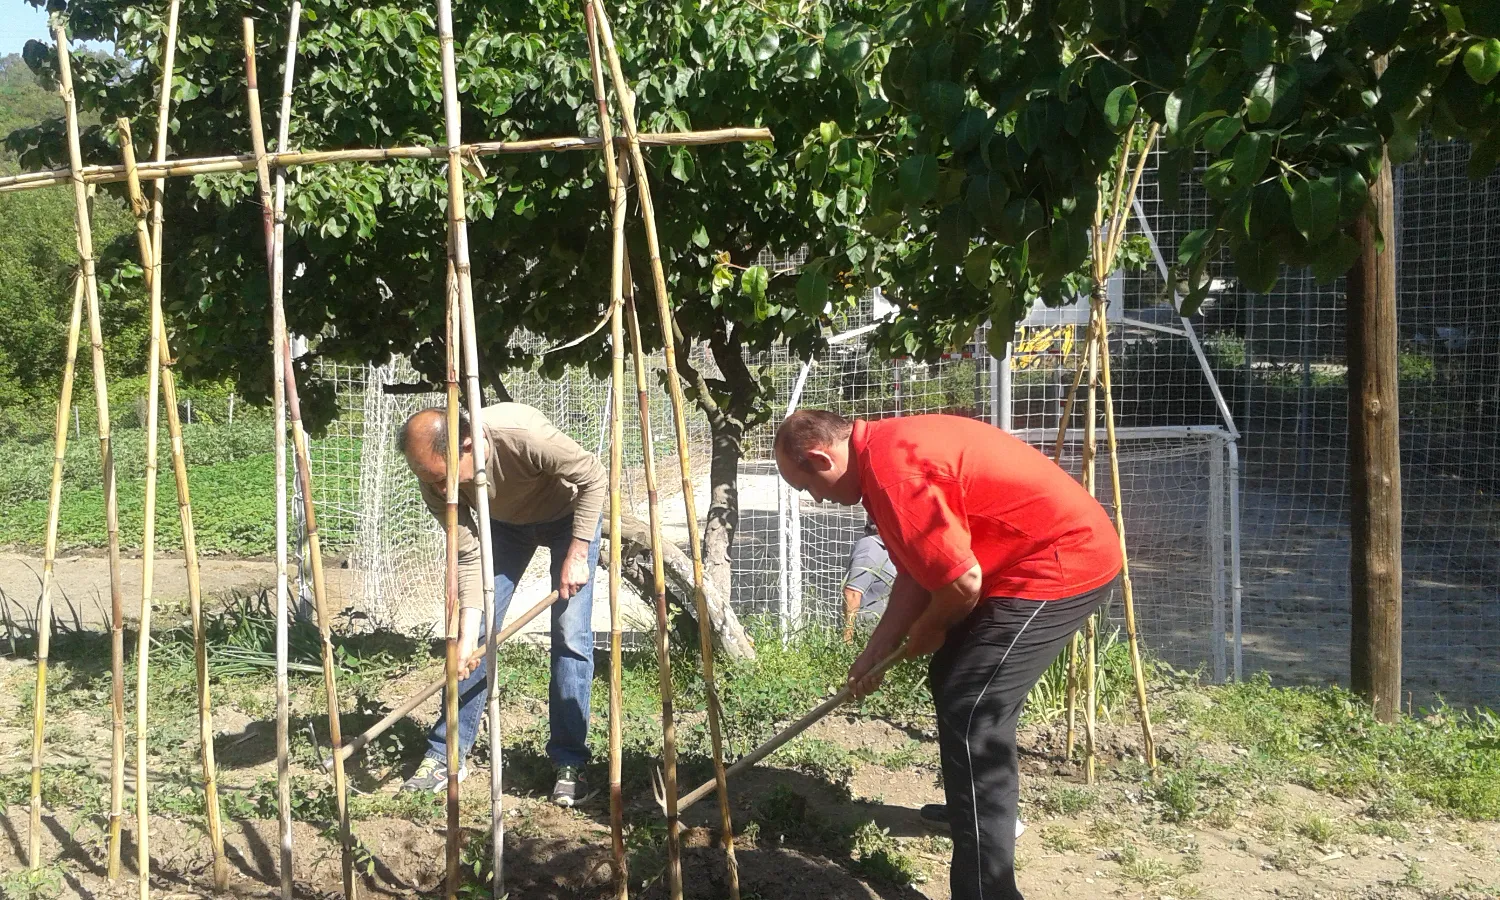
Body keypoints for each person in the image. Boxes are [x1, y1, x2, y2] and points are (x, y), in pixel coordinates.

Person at [773, 410, 1122, 900]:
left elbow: (961, 583)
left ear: (820, 457)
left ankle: (985, 889)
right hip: (1027, 559)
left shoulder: (897, 475)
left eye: (807, 485)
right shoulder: (882, 458)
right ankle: (971, 814)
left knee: (971, 702)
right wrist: (879, 648)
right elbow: (922, 567)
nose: (815, 497)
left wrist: (930, 627)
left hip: (1059, 562)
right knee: (954, 679)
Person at [397, 403, 606, 807]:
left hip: (569, 516)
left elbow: (593, 477)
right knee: (473, 635)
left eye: (443, 478)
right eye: (429, 480)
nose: (441, 490)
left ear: (469, 445)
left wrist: (578, 552)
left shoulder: (524, 436)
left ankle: (570, 762)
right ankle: (446, 754)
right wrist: (465, 637)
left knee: (570, 634)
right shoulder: (433, 479)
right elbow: (469, 557)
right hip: (504, 527)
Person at [842, 521, 896, 642]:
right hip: (868, 640)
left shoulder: (890, 547)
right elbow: (852, 593)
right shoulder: (870, 547)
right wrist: (848, 640)